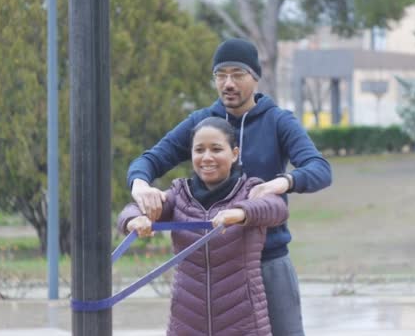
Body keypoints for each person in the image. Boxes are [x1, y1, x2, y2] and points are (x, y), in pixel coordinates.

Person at [127, 38, 332, 335]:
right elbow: (150, 160)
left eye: (237, 74)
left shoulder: (278, 121)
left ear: (255, 77)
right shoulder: (201, 122)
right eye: (220, 76)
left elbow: (320, 169)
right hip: (214, 272)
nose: (228, 83)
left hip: (268, 262)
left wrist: (281, 183)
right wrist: (140, 185)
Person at [118, 117, 288, 335]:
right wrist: (135, 220)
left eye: (216, 149)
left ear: (234, 154)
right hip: (187, 323)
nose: (207, 157)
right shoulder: (179, 195)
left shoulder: (250, 190)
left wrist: (241, 212)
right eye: (199, 150)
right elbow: (131, 211)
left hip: (245, 324)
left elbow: (277, 208)